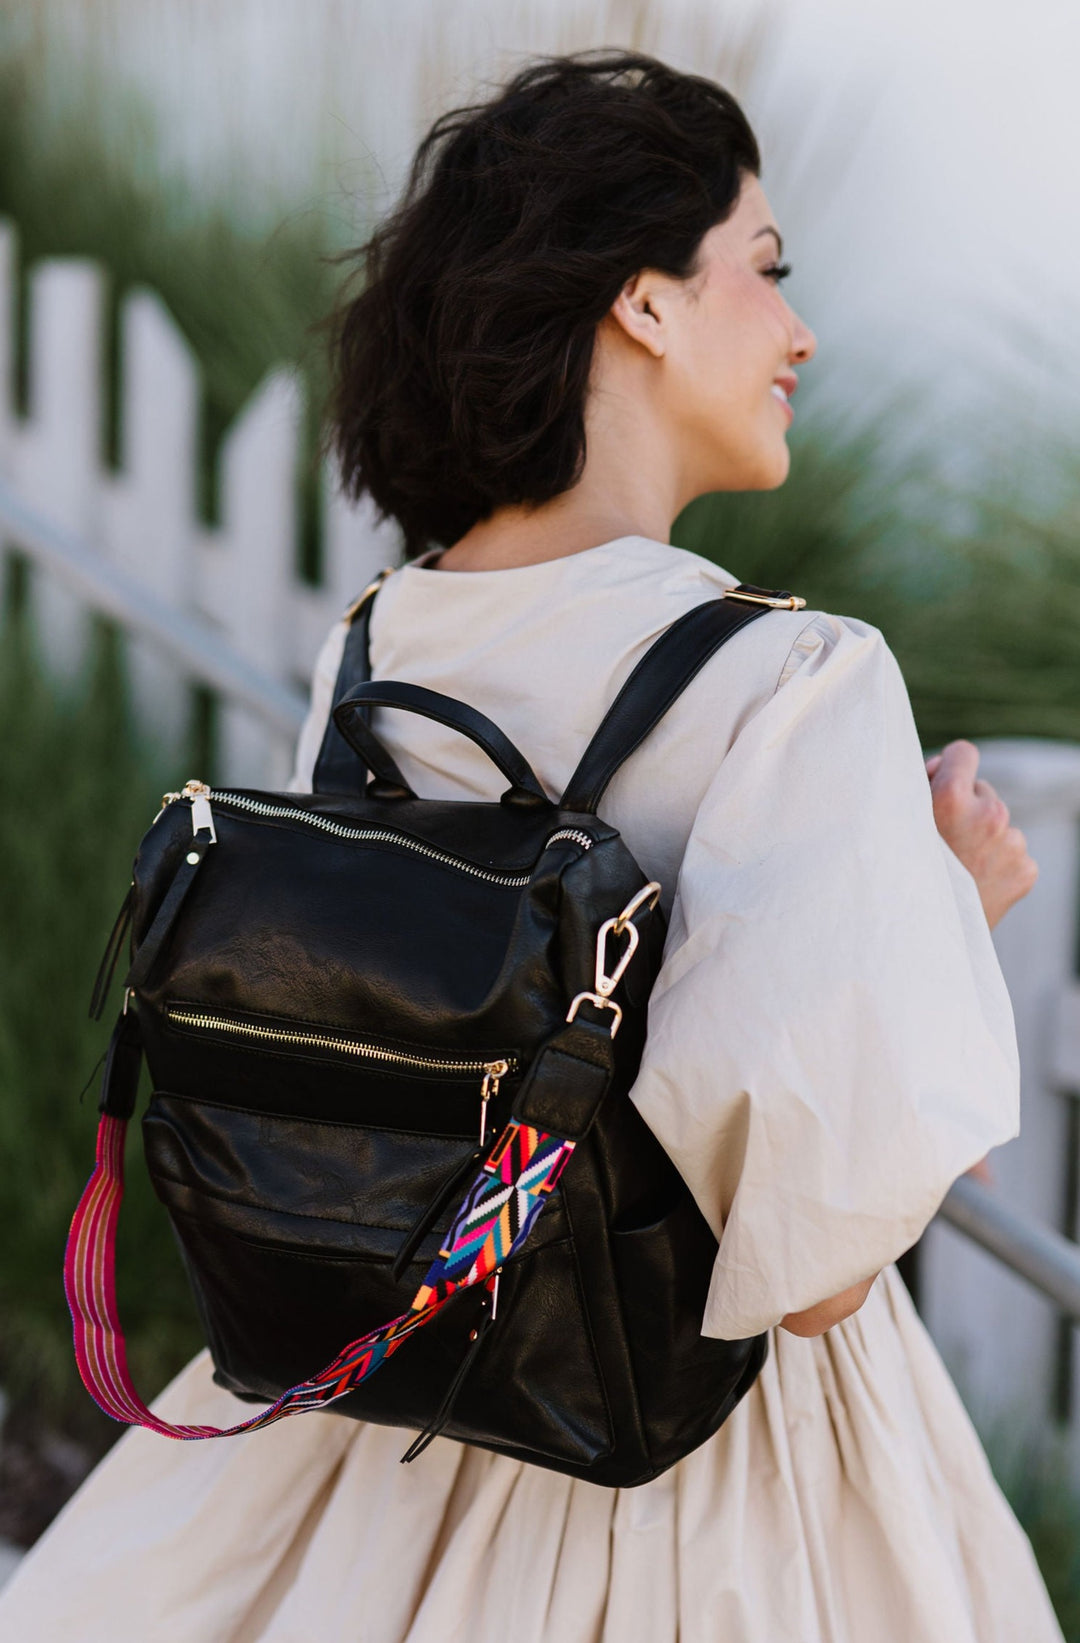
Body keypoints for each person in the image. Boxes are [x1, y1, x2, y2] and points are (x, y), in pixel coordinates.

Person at [0, 50, 1061, 1643]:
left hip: (380, 1389)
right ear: (643, 301)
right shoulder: (797, 679)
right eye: (763, 272)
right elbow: (815, 1272)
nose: (799, 330)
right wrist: (948, 914)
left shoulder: (374, 644)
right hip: (681, 1457)